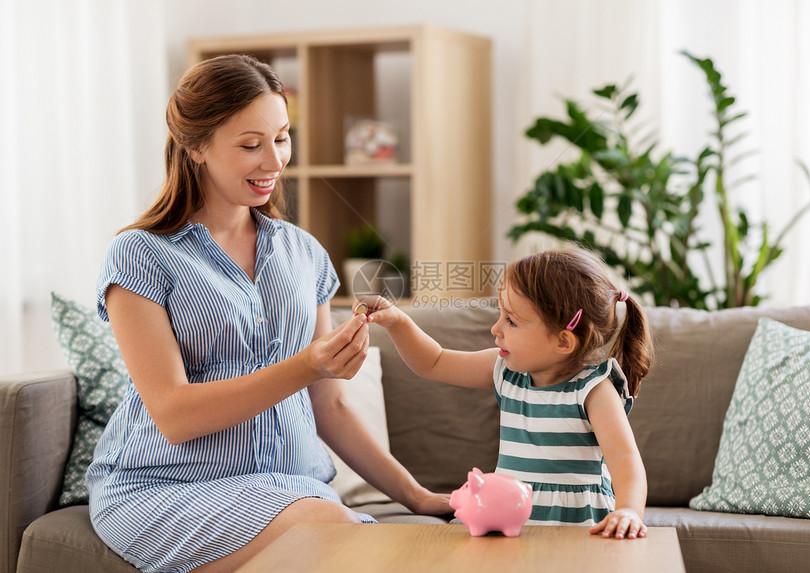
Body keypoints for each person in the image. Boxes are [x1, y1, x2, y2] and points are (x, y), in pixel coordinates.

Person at [86, 54, 450, 573]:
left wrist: (419, 497)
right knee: (338, 538)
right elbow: (174, 415)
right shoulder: (141, 255)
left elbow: (333, 408)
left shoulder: (303, 253)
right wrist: (307, 366)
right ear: (196, 147)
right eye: (250, 145)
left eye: (281, 137)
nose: (274, 161)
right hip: (169, 485)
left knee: (339, 534)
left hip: (293, 487)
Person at [362, 247, 653, 539]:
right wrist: (398, 323)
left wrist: (628, 510)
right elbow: (434, 362)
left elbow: (624, 460)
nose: (496, 329)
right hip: (510, 527)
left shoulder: (594, 390)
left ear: (564, 341)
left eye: (511, 321)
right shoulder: (506, 370)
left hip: (577, 531)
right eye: (500, 315)